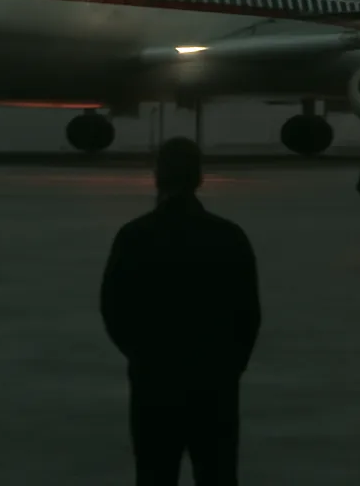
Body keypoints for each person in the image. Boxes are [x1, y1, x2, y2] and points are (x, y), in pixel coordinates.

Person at [100, 136, 261, 486]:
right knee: (216, 474)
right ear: (199, 178)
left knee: (155, 474)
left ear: (158, 176)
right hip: (214, 387)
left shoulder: (135, 236)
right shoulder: (229, 237)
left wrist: (144, 357)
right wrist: (229, 366)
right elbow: (248, 316)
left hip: (155, 385)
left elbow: (114, 310)